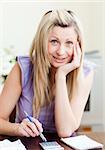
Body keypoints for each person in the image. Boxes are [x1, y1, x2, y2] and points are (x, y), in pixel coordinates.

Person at [0, 9, 94, 138]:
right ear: (42, 41)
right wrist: (17, 128)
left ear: (78, 46)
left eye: (69, 43)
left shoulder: (85, 73)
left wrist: (61, 76)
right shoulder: (23, 68)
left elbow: (65, 131)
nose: (61, 51)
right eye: (54, 41)